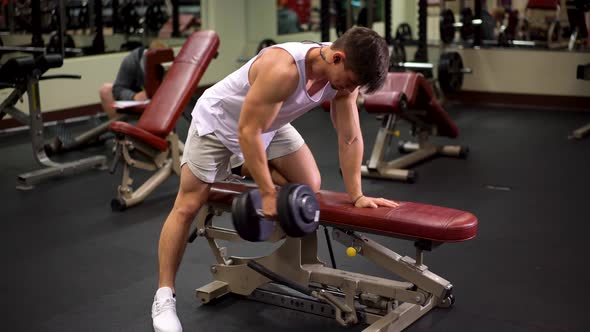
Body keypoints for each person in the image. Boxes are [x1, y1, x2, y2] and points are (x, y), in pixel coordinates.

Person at [151, 26, 400, 332]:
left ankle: (246, 167)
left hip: (267, 121)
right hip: (220, 122)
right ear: (338, 57)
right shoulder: (282, 69)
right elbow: (247, 131)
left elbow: (349, 137)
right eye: (350, 81)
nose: (350, 89)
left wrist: (358, 195)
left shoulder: (344, 80)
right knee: (188, 205)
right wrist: (268, 193)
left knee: (309, 183)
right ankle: (164, 297)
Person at [98, 39, 168, 119]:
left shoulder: (168, 64)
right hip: (137, 96)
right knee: (106, 90)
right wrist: (133, 96)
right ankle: (121, 128)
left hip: (160, 99)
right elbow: (118, 89)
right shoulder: (132, 60)